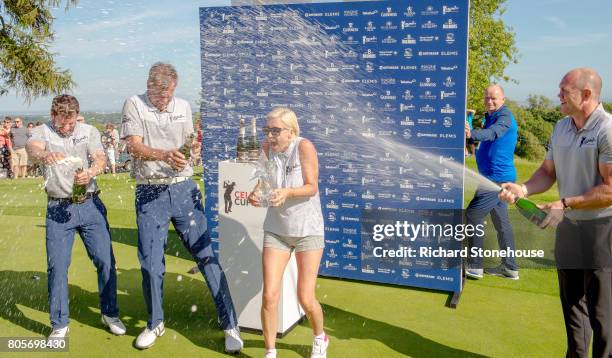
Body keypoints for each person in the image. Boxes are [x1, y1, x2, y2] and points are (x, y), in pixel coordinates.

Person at [120, 62, 242, 352]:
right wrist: (164, 154)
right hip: (150, 193)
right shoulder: (134, 104)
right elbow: (134, 146)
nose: (165, 99)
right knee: (151, 264)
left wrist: (186, 155)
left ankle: (230, 325)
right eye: (160, 94)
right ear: (150, 85)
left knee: (206, 257)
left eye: (169, 93)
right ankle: (155, 323)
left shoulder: (184, 106)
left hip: (185, 190)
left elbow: (187, 142)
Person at [500, 68, 611, 358]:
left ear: (586, 94)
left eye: (565, 90)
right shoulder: (561, 126)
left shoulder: (607, 130)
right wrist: (523, 189)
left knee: (602, 314)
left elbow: (611, 188)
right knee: (573, 305)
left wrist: (566, 203)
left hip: (603, 229)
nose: (558, 95)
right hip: (570, 229)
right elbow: (548, 171)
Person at [25, 94, 126, 340]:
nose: (67, 128)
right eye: (62, 123)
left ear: (76, 116)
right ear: (53, 116)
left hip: (90, 205)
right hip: (58, 209)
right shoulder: (42, 131)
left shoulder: (88, 130)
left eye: (71, 123)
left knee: (105, 261)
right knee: (57, 267)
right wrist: (43, 156)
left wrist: (91, 171)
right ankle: (60, 324)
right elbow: (32, 148)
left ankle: (109, 313)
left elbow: (100, 158)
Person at [248, 107, 328, 358]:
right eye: (267, 130)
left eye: (275, 130)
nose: (270, 135)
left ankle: (319, 337)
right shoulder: (266, 148)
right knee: (270, 295)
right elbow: (262, 179)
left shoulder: (304, 147)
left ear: (291, 131)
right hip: (276, 230)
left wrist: (287, 192)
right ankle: (270, 351)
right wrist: (257, 191)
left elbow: (311, 188)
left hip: (307, 230)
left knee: (305, 297)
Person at [464, 84, 520, 280]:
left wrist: (473, 134)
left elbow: (493, 133)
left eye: (494, 98)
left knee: (472, 214)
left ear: (503, 99)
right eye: (487, 98)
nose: (490, 101)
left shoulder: (504, 117)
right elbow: (485, 140)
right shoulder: (489, 117)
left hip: (496, 179)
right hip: (497, 178)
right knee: (501, 223)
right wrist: (470, 137)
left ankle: (475, 266)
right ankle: (510, 268)